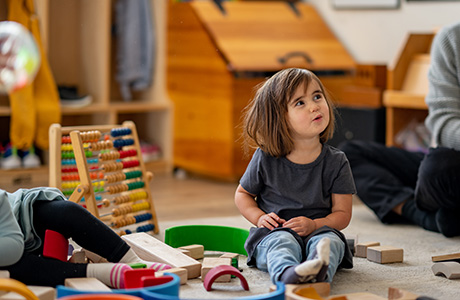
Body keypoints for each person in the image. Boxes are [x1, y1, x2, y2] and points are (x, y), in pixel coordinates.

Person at [338, 21, 460, 238]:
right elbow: (443, 123)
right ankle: (420, 215)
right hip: (451, 163)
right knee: (347, 156)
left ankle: (447, 215)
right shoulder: (452, 38)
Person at [234, 68, 356, 285]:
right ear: (279, 118)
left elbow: (342, 214)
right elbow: (242, 194)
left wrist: (315, 225)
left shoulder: (337, 162)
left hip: (320, 230)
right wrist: (259, 217)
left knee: (331, 242)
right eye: (300, 102)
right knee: (281, 243)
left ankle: (318, 275)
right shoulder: (265, 157)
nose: (314, 106)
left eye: (317, 96)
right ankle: (287, 274)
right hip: (275, 233)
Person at [0, 187, 171, 288]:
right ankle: (97, 273)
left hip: (20, 219)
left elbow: (14, 244)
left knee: (67, 212)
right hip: (12, 262)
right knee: (19, 270)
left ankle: (130, 259)